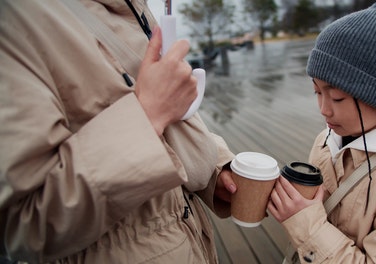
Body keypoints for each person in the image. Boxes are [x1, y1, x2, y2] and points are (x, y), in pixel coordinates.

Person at [0, 0, 237, 263]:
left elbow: (169, 113)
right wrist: (146, 116)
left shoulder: (136, 8)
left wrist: (216, 170)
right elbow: (23, 224)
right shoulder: (14, 18)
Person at [267, 0, 376, 263]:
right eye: (317, 92)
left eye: (337, 97)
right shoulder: (325, 141)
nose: (324, 109)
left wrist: (305, 224)